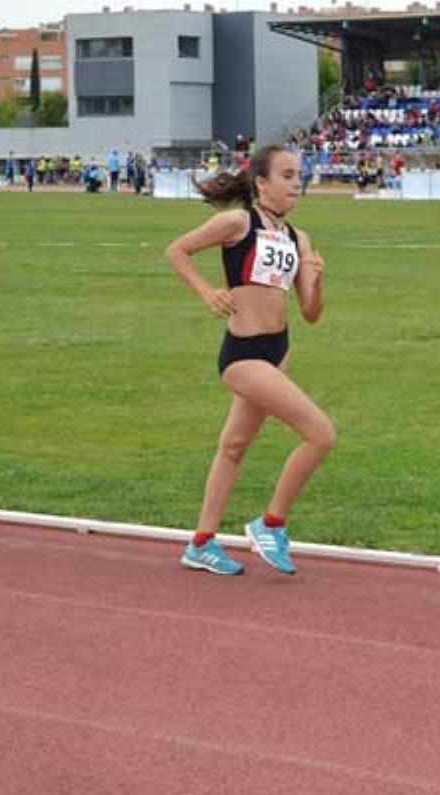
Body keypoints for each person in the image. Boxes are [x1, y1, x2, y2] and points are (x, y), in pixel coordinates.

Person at [166, 145, 333, 576]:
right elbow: (177, 251)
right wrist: (207, 292)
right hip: (243, 355)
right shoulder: (238, 222)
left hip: (279, 351)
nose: (298, 182)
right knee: (320, 434)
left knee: (234, 447)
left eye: (300, 174)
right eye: (288, 174)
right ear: (261, 182)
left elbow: (311, 315)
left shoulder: (300, 238)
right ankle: (271, 523)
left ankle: (201, 543)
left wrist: (316, 283)